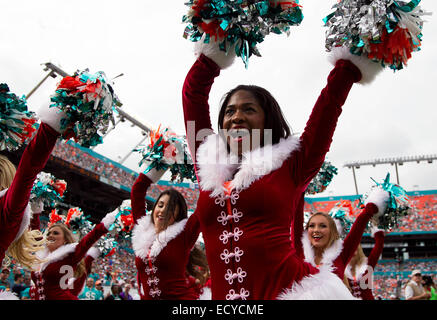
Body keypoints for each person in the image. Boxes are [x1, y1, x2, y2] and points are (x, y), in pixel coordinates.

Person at [181, 35, 379, 299]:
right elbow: (192, 95)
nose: (236, 116)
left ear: (267, 121)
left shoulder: (293, 163)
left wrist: (348, 65)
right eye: (229, 112)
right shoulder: (206, 162)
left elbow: (328, 107)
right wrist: (212, 51)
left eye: (248, 109)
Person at [131, 168, 207, 300]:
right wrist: (161, 162)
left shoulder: (184, 234)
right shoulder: (142, 230)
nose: (163, 211)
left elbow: (204, 203)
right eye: (160, 205)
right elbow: (137, 190)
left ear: (178, 215)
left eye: (171, 209)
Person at [29, 209, 118, 300]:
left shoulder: (69, 255)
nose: (50, 235)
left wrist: (105, 224)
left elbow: (88, 241)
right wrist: (35, 212)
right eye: (49, 233)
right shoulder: (42, 255)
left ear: (65, 240)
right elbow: (35, 233)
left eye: (56, 233)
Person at [345, 225, 385, 300]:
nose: (353, 252)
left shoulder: (367, 264)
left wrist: (377, 226)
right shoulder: (341, 267)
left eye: (355, 249)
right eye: (349, 249)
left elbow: (379, 246)